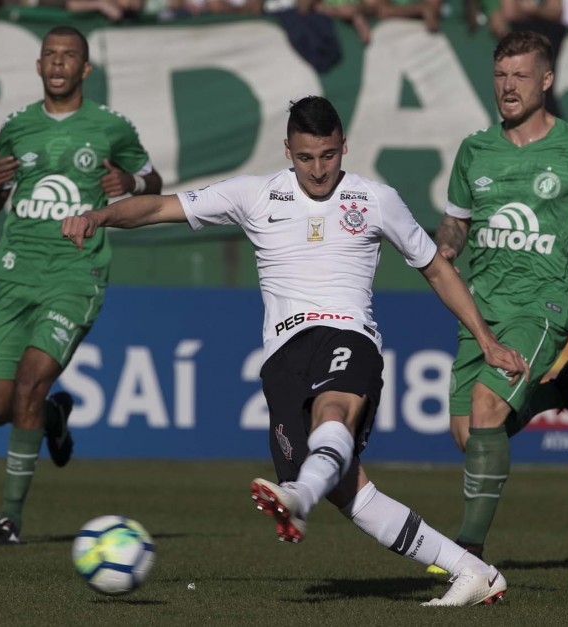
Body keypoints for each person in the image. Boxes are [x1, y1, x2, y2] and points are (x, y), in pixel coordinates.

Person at [62, 95, 529, 606]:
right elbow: (157, 206)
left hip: (349, 336)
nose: (319, 169)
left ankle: (298, 497)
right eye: (306, 157)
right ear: (287, 150)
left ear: (344, 146)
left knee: (333, 413)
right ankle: (472, 571)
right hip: (283, 355)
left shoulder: (376, 199)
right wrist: (98, 216)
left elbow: (436, 268)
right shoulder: (254, 194)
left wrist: (486, 340)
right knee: (351, 494)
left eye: (329, 155)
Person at [432, 31, 568, 568]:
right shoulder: (473, 149)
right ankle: (558, 393)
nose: (508, 87)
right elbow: (456, 223)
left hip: (544, 305)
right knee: (470, 434)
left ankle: (469, 557)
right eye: (501, 75)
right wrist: (444, 249)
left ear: (546, 81)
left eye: (520, 76)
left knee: (486, 409)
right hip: (483, 306)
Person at [0, 25, 162, 545]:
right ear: (38, 65)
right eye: (49, 55)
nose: (58, 64)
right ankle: (53, 416)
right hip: (15, 274)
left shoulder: (111, 127)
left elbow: (152, 182)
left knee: (31, 382)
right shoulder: (17, 127)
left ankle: (9, 519)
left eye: (68, 56)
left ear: (85, 69)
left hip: (76, 273)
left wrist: (130, 184)